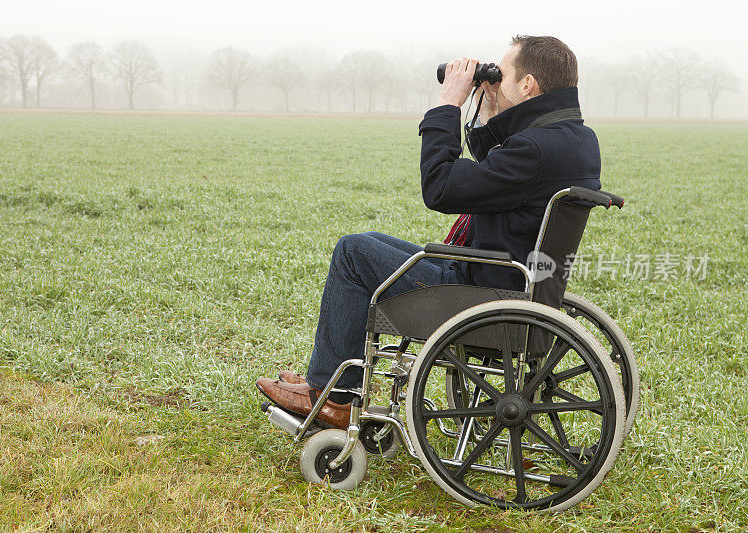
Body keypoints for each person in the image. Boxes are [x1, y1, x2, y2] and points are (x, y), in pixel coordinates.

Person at [256, 35, 602, 429]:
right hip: (519, 285)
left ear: (527, 85)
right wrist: (490, 111)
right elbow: (499, 179)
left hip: (484, 293)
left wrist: (448, 105)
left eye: (502, 74)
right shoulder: (575, 140)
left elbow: (440, 187)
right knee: (369, 243)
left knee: (354, 253)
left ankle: (333, 397)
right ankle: (332, 383)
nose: (493, 80)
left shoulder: (536, 148)